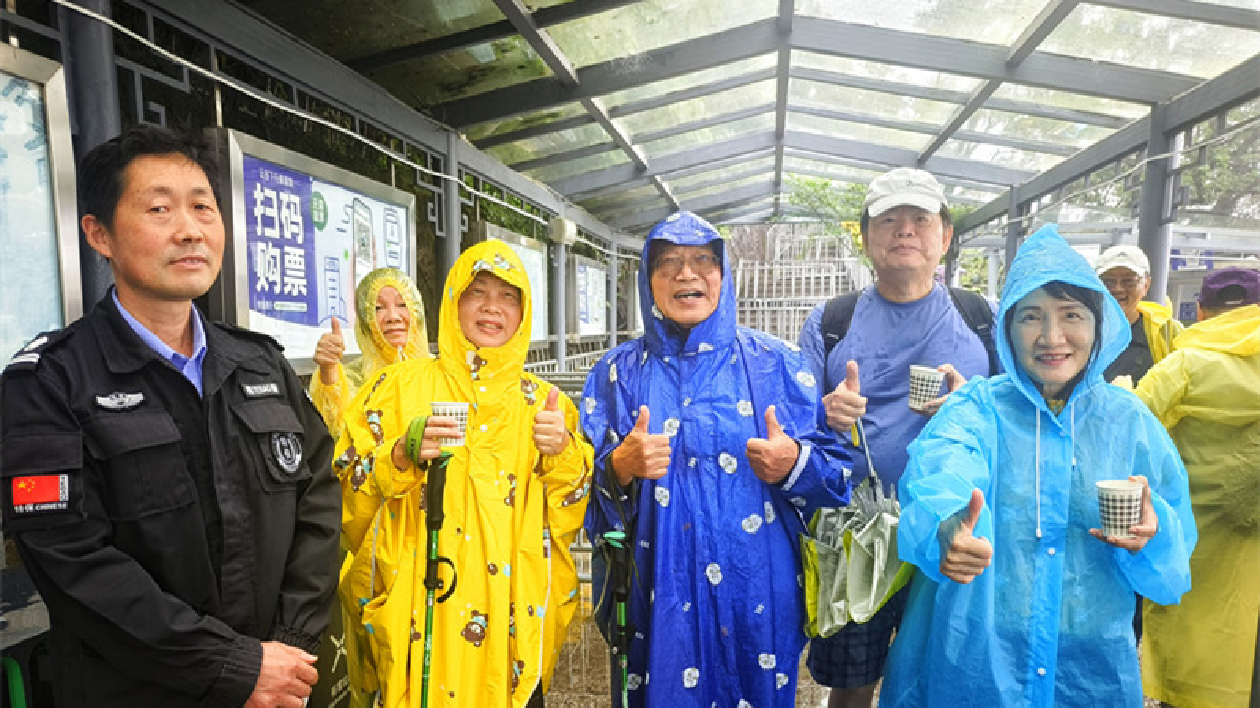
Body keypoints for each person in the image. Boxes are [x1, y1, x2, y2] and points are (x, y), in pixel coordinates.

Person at [0, 124, 340, 706]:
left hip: (279, 685)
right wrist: (234, 667)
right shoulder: (51, 383)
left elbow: (319, 499)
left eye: (202, 207)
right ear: (99, 234)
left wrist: (287, 649)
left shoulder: (259, 364)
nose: (190, 230)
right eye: (159, 209)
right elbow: (72, 562)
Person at [879, 224, 1197, 708]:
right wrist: (947, 527)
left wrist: (1154, 534)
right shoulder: (976, 408)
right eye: (1031, 316)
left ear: (1098, 323)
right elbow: (942, 471)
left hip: (1087, 667)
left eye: (1072, 315)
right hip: (980, 659)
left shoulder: (1128, 420)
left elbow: (1171, 555)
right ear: (1008, 327)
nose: (1052, 337)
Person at [582, 211, 852, 707]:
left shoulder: (777, 365)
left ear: (723, 276)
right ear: (648, 279)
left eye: (703, 261)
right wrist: (620, 466)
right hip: (653, 599)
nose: (686, 274)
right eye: (668, 262)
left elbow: (838, 480)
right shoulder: (616, 374)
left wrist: (795, 463)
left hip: (757, 598)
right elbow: (577, 491)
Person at [334, 239, 594, 708]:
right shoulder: (395, 389)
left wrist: (562, 453)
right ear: (453, 301)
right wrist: (397, 458)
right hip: (420, 629)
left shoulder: (545, 406)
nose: (492, 307)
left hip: (511, 635)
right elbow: (343, 490)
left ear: (524, 312)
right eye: (478, 292)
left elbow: (570, 511)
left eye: (508, 295)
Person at [798, 167, 994, 708]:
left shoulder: (983, 319)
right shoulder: (831, 321)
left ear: (944, 237)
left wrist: (971, 407)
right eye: (888, 220)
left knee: (942, 680)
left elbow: (1016, 418)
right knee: (850, 685)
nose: (904, 230)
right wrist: (825, 414)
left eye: (919, 219)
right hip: (854, 535)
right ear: (866, 238)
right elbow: (793, 429)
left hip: (950, 531)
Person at [1137, 267, 1260, 708]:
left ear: (1202, 312)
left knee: (1192, 649)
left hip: (1191, 545)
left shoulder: (1184, 365)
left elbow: (1128, 428)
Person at [309, 267, 429, 440]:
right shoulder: (352, 379)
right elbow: (337, 433)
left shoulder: (439, 373)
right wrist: (328, 372)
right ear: (365, 321)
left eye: (402, 305)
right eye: (378, 308)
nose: (393, 317)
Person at [1095, 243, 1184, 383]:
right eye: (1108, 281)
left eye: (1129, 281)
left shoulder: (1166, 334)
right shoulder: (1081, 330)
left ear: (1146, 286)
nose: (1118, 289)